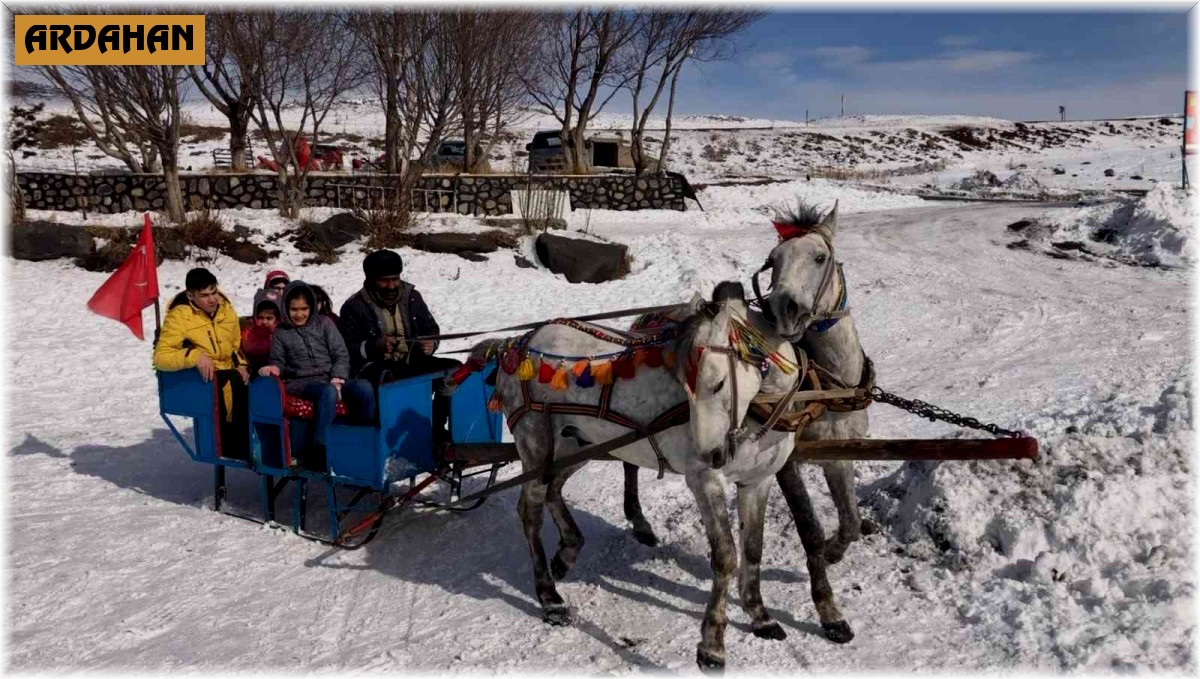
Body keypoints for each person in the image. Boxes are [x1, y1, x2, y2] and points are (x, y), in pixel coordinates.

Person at [338, 249, 460, 440]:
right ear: (371, 280)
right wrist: (375, 346)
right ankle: (397, 436)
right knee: (394, 378)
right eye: (384, 280)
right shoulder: (354, 307)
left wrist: (431, 343)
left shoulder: (412, 297)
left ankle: (435, 426)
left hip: (411, 360)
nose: (391, 285)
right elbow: (346, 348)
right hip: (373, 367)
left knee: (455, 370)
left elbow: (431, 328)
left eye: (395, 279)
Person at [262, 280, 375, 469]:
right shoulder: (281, 332)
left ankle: (360, 438)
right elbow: (278, 361)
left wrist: (338, 379)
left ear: (312, 307)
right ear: (286, 308)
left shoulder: (324, 324)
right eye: (294, 309)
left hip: (330, 378)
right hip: (300, 382)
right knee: (327, 392)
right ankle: (319, 448)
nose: (299, 314)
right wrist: (273, 368)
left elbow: (340, 354)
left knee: (363, 388)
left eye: (304, 309)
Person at [153, 268, 250, 457]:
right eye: (205, 295)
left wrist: (243, 365)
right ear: (191, 295)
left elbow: (236, 347)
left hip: (231, 374)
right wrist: (194, 356)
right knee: (233, 384)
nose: (213, 299)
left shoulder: (226, 311)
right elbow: (161, 357)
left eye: (214, 292)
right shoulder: (180, 316)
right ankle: (237, 447)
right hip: (206, 380)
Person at [241, 289, 282, 372]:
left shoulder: (281, 333)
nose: (264, 321)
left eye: (269, 318)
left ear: (277, 319)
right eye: (260, 318)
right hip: (253, 368)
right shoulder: (248, 332)